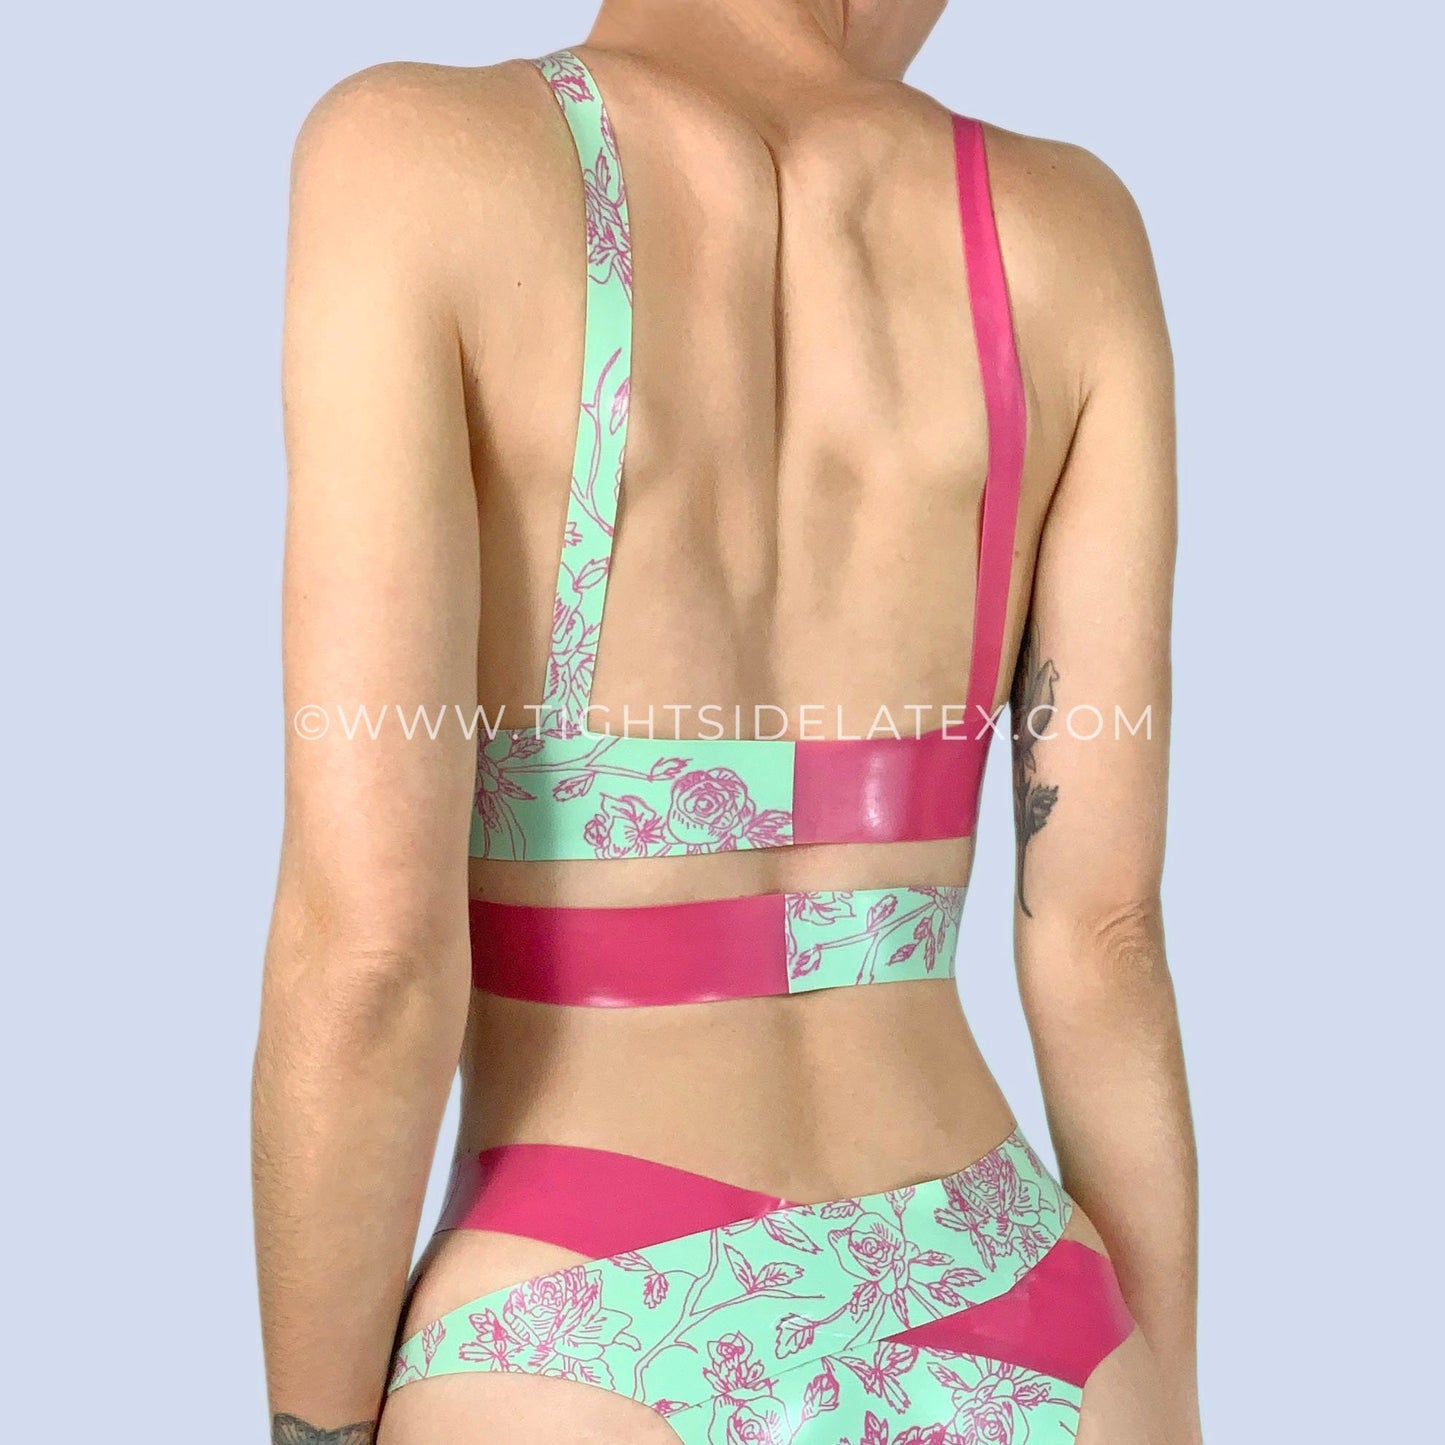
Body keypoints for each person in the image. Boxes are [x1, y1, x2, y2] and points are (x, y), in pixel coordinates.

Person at [252, 2, 1199, 1442]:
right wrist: (1165, 1393)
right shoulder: (1072, 232)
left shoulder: (417, 162)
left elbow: (370, 955)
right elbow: (1102, 935)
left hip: (580, 1330)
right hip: (1023, 1309)